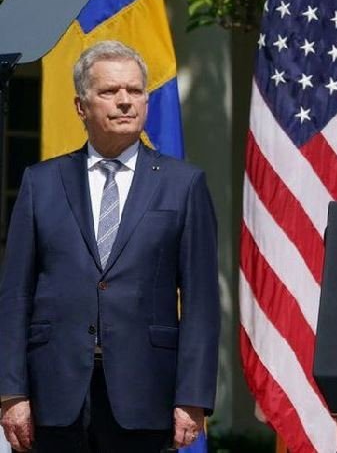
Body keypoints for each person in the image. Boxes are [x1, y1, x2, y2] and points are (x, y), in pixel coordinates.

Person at [0, 40, 219, 452]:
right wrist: (11, 392)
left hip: (145, 392)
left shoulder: (183, 184)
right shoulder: (41, 182)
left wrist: (192, 396)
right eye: (109, 92)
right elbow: (16, 294)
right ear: (81, 106)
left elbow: (201, 300)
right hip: (54, 392)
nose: (124, 102)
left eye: (135, 91)